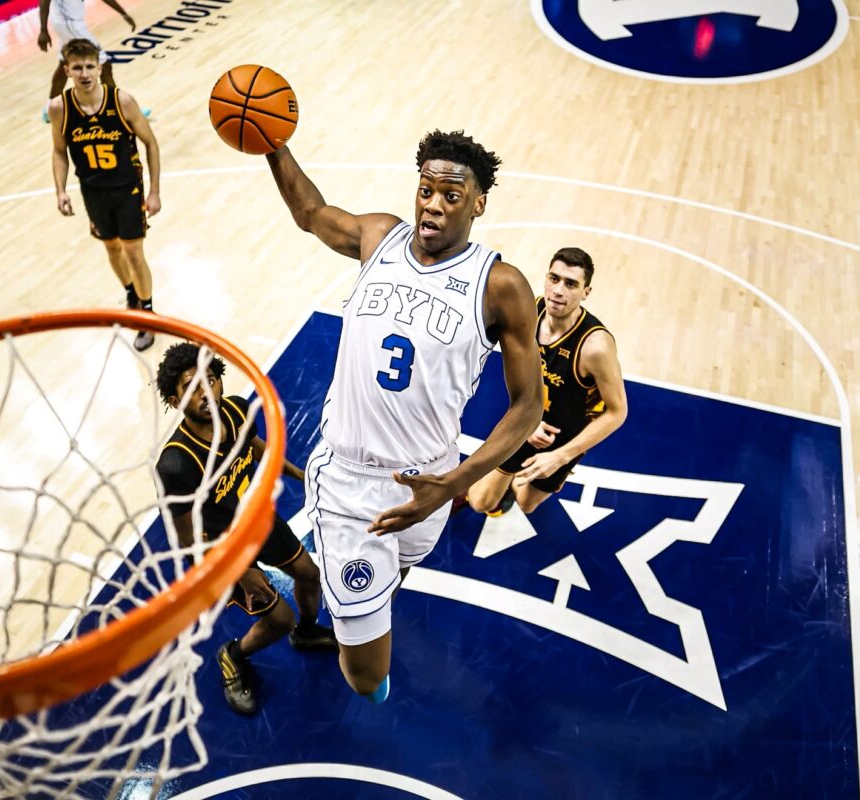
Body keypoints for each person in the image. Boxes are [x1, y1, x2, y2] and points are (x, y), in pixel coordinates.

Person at [263, 130, 544, 703]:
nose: (433, 205)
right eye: (425, 190)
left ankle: (369, 603)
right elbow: (311, 212)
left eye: (451, 195)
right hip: (350, 487)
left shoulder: (500, 286)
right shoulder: (379, 237)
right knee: (365, 676)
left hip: (432, 479)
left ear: (478, 203)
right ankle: (363, 636)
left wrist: (453, 485)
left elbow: (529, 404)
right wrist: (271, 144)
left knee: (393, 579)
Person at [154, 343, 338, 715]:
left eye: (210, 379)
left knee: (309, 575)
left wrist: (301, 475)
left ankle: (306, 633)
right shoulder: (177, 465)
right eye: (191, 387)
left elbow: (254, 448)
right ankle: (233, 656)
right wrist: (241, 571)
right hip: (219, 551)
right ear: (174, 400)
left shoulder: (236, 410)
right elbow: (187, 543)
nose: (206, 392)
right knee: (279, 619)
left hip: (256, 522)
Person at [467, 247, 627, 516]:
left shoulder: (595, 347)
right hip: (528, 418)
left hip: (565, 437)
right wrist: (527, 421)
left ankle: (522, 481)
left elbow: (617, 412)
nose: (558, 291)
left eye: (571, 284)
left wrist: (560, 456)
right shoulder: (532, 310)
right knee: (480, 502)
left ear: (586, 292)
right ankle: (508, 475)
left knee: (527, 504)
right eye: (554, 279)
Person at [49, 38, 160, 351]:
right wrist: (60, 191)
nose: (84, 73)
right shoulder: (59, 108)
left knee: (134, 252)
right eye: (77, 67)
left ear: (100, 68)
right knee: (112, 248)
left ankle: (147, 314)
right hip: (92, 191)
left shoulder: (122, 101)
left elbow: (151, 143)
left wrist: (154, 191)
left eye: (89, 66)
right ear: (67, 70)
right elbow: (59, 151)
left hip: (128, 189)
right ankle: (131, 293)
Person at [37, 0, 133, 121]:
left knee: (63, 65)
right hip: (70, 24)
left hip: (67, 23)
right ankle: (119, 110)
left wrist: (123, 13)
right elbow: (44, 1)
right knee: (104, 65)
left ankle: (49, 109)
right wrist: (43, 30)